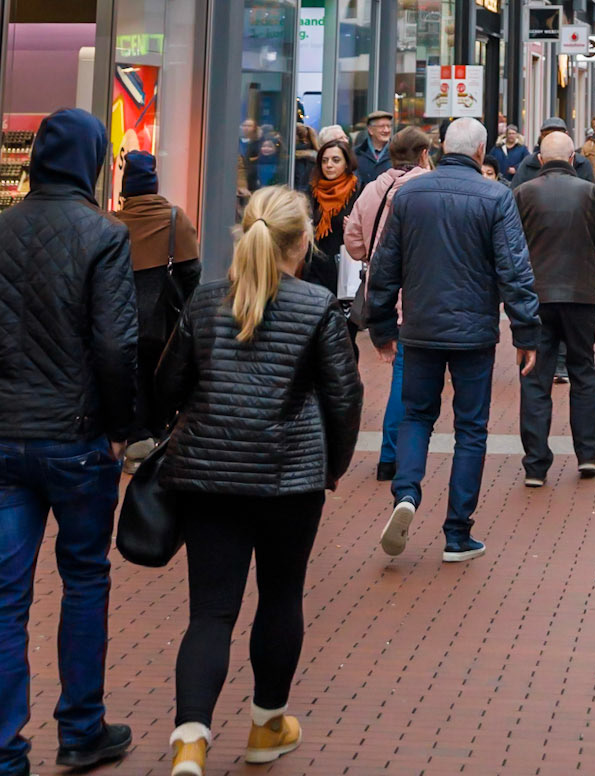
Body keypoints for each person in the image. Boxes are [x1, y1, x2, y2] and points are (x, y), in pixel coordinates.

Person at [158, 186, 361, 775]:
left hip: (208, 477)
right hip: (288, 479)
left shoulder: (205, 301)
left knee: (209, 613)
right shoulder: (317, 306)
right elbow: (343, 398)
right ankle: (266, 727)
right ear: (302, 244)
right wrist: (334, 466)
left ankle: (190, 742)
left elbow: (168, 385)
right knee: (279, 598)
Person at [0, 110, 137, 776]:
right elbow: (115, 345)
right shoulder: (103, 235)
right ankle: (82, 729)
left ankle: (5, 748)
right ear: (93, 160)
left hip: (5, 436)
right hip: (78, 437)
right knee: (84, 578)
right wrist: (122, 429)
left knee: (5, 595)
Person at [367, 116, 539, 563]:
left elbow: (385, 267)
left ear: (443, 147)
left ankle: (406, 492)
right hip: (473, 334)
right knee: (470, 429)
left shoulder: (409, 195)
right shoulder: (496, 196)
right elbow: (514, 270)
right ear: (482, 152)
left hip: (420, 328)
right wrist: (526, 331)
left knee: (415, 416)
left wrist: (382, 327)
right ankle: (457, 533)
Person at [514, 127, 595, 485]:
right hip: (580, 296)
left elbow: (509, 250)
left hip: (536, 298)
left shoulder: (522, 194)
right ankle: (587, 453)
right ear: (574, 158)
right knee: (583, 371)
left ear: (541, 160)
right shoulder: (591, 193)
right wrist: (593, 278)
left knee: (535, 377)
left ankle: (535, 464)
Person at [342, 126, 432, 482]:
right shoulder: (428, 186)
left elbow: (353, 244)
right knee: (407, 375)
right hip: (418, 290)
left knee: (401, 369)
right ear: (423, 154)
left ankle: (390, 456)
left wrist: (372, 251)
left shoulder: (371, 189)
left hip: (381, 288)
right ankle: (394, 454)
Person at [110, 149, 201, 447]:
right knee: (162, 376)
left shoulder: (113, 225)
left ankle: (136, 438)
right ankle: (157, 435)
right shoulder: (176, 220)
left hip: (122, 322)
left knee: (132, 378)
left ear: (126, 187)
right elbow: (192, 275)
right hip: (166, 323)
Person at [302, 136, 360, 298]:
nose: (329, 165)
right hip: (314, 267)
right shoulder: (312, 191)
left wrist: (354, 229)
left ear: (347, 163)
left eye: (335, 160)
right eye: (324, 161)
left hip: (343, 268)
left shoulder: (358, 191)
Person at [510, 123, 595, 189]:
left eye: (557, 133)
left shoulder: (582, 163)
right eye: (547, 134)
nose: (552, 137)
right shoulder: (528, 163)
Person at [353, 111, 393, 191]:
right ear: (370, 130)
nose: (386, 130)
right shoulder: (356, 153)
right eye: (382, 126)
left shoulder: (397, 153)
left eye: (389, 126)